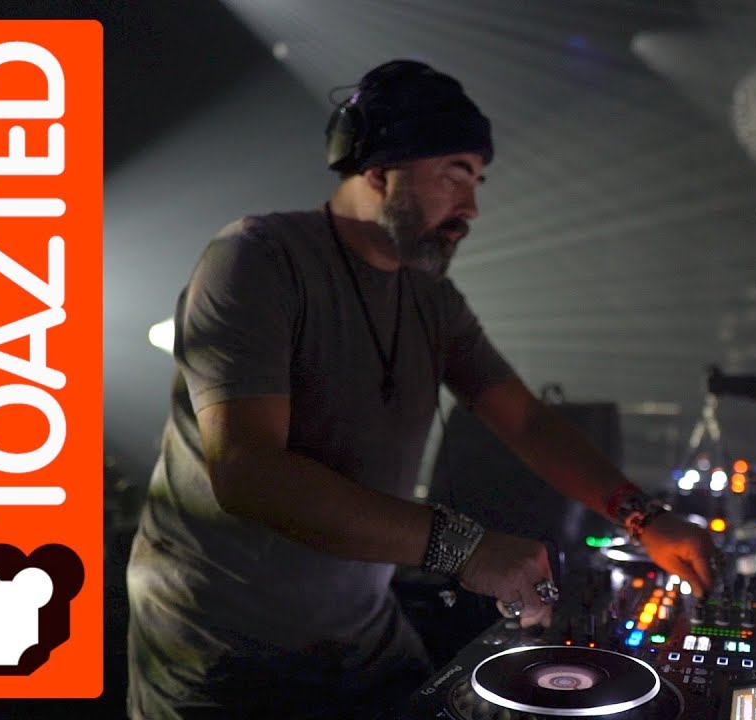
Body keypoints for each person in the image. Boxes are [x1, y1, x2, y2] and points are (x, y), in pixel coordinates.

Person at [124, 59, 719, 719]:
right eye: (454, 174)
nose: (471, 208)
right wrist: (463, 548)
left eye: (477, 180)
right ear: (380, 169)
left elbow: (526, 421)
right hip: (224, 654)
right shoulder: (256, 259)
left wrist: (643, 517)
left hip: (363, 636)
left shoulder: (433, 300)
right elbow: (248, 471)